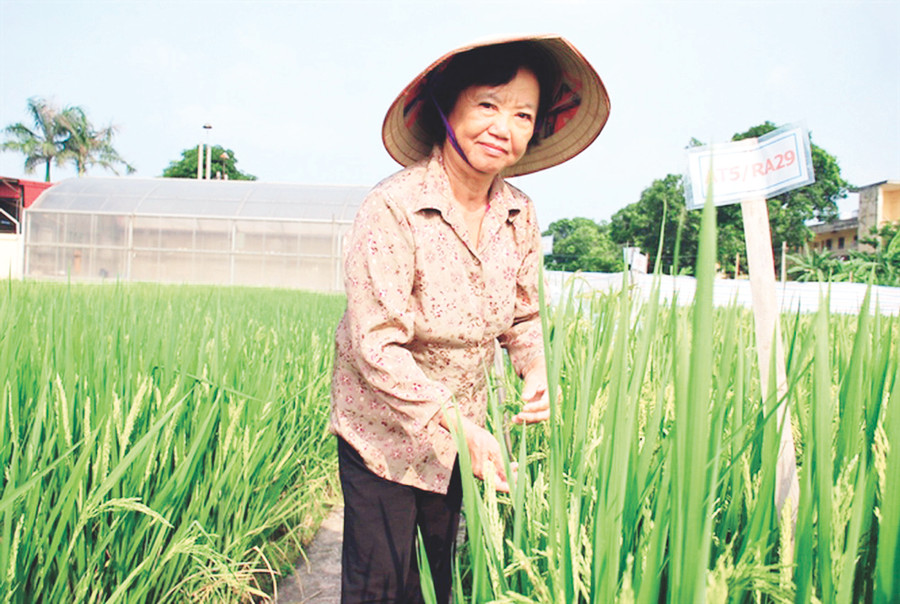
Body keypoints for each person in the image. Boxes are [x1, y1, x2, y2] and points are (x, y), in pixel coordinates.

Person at [330, 34, 610, 603]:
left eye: (523, 114)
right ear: (446, 107)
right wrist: (453, 422)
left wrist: (536, 368)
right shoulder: (394, 207)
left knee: (436, 581)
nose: (503, 127)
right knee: (380, 587)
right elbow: (376, 343)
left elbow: (524, 316)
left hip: (462, 442)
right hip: (383, 433)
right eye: (488, 104)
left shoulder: (518, 213)